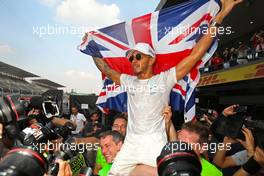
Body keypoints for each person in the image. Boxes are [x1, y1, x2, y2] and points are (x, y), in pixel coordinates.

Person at [83, 0, 242, 174]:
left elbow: (196, 53)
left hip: (155, 144)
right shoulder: (128, 81)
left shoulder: (164, 79)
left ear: (151, 59)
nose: (133, 61)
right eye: (131, 58)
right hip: (130, 145)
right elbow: (105, 68)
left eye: (138, 56)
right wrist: (91, 47)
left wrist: (221, 15)